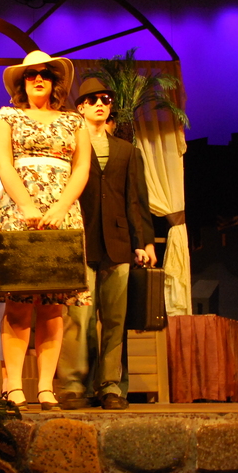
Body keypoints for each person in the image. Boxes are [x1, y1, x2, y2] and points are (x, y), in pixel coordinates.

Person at [0, 50, 91, 410]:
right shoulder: (7, 116)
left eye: (45, 74)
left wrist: (61, 207)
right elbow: (2, 162)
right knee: (19, 303)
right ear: (22, 83)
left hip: (63, 214)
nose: (38, 79)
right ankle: (15, 387)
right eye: (31, 74)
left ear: (54, 83)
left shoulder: (74, 121)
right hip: (20, 213)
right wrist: (26, 205)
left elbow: (81, 168)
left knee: (52, 306)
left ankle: (46, 387)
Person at [58, 77, 154, 410]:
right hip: (81, 240)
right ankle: (74, 385)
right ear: (81, 107)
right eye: (93, 99)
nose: (100, 104)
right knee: (79, 318)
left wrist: (142, 242)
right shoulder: (69, 147)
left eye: (106, 99)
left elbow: (135, 200)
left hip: (118, 242)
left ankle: (111, 386)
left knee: (115, 319)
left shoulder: (126, 151)